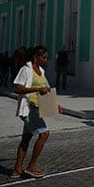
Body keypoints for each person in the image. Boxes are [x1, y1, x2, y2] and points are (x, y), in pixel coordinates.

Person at [11, 45, 62, 179]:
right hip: (28, 108)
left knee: (25, 139)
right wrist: (37, 89)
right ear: (35, 57)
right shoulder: (26, 70)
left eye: (46, 58)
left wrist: (55, 105)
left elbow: (47, 89)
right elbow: (17, 89)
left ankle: (17, 169)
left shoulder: (41, 71)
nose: (46, 60)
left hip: (37, 107)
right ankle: (31, 166)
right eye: (43, 57)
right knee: (44, 134)